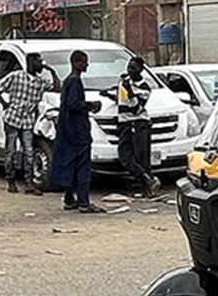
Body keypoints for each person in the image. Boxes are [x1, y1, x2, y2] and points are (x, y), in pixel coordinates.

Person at [0, 52, 61, 195]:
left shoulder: (39, 82)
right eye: (38, 61)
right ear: (30, 62)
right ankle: (10, 180)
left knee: (28, 152)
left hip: (28, 122)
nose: (41, 64)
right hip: (12, 118)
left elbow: (57, 87)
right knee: (10, 151)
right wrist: (5, 104)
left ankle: (28, 183)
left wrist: (52, 71)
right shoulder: (16, 76)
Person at [51, 51, 104, 213]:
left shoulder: (69, 81)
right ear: (76, 63)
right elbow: (74, 104)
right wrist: (91, 105)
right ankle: (83, 202)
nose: (86, 65)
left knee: (70, 164)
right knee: (82, 167)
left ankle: (69, 199)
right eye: (84, 62)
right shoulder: (74, 82)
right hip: (77, 131)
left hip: (68, 131)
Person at [104, 56, 162, 197]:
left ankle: (148, 189)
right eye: (129, 67)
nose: (130, 70)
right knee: (125, 155)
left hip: (138, 123)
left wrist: (130, 90)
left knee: (142, 157)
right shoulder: (124, 83)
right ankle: (148, 180)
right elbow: (122, 100)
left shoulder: (144, 87)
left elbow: (136, 108)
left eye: (133, 68)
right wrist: (110, 94)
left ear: (141, 70)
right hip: (124, 124)